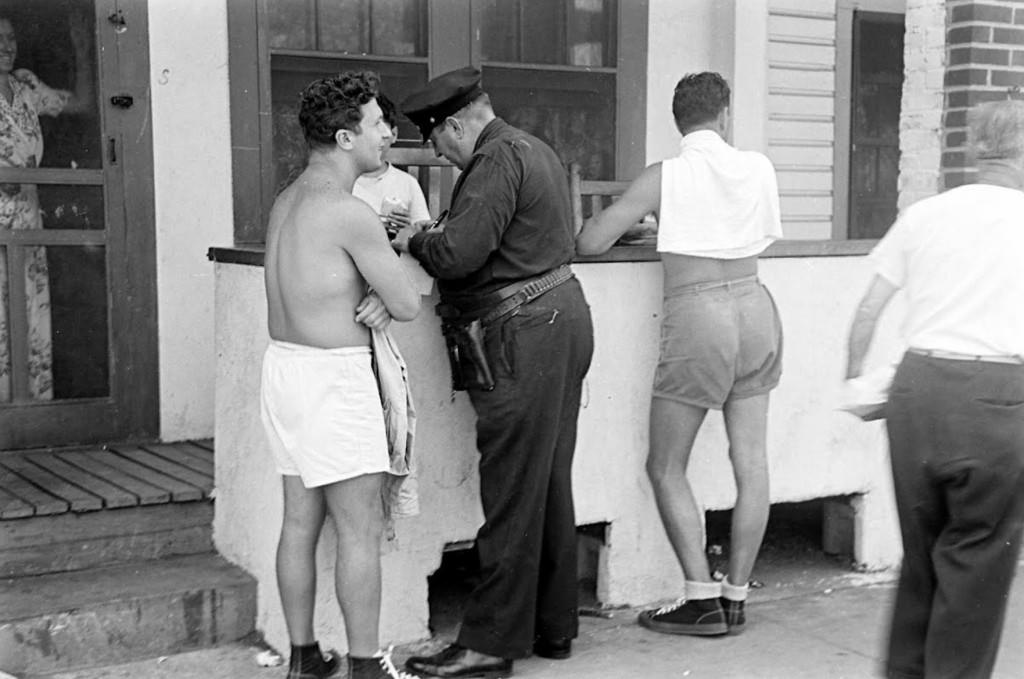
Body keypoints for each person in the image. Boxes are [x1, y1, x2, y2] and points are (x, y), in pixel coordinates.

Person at [391, 66, 594, 677]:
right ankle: (551, 627)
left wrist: (416, 240)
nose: (444, 156)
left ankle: (489, 644)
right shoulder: (534, 147)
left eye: (439, 143)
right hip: (558, 318)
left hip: (522, 334)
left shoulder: (496, 158)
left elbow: (459, 253)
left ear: (456, 125)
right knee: (546, 481)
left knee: (510, 489)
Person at [576, 72, 783, 637]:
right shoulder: (758, 166)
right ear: (724, 115)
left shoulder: (665, 176)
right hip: (756, 305)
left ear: (678, 121)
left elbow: (589, 240)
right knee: (753, 462)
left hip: (699, 314)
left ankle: (699, 596)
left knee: (665, 465)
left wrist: (647, 223)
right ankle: (736, 597)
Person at [845, 99, 1024, 679]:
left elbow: (868, 311)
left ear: (978, 148)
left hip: (917, 390)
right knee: (975, 566)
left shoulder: (925, 215)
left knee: (922, 561)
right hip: (998, 397)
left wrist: (855, 383)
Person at [261, 71, 421, 679]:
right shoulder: (347, 212)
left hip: (285, 371)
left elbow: (335, 282)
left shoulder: (287, 200)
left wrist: (373, 290)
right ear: (344, 135)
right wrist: (386, 289)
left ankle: (304, 658)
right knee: (359, 529)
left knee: (299, 520)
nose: (390, 133)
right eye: (379, 124)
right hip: (332, 378)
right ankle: (364, 666)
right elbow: (405, 302)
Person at [0, 11, 92, 401]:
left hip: (28, 220)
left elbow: (84, 103)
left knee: (27, 313)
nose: (6, 47)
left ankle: (30, 410)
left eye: (11, 39)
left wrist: (85, 50)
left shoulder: (25, 88)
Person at [353, 93, 432, 233]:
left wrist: (408, 228)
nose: (376, 139)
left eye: (380, 129)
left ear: (393, 135)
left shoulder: (407, 183)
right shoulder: (344, 180)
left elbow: (422, 229)